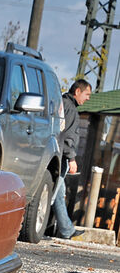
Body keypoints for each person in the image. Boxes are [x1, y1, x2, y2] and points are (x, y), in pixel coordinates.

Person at [53, 79, 92, 239]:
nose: (88, 98)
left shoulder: (64, 104)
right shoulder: (69, 108)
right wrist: (71, 158)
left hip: (58, 155)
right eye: (87, 94)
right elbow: (67, 136)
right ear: (77, 92)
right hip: (61, 156)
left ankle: (66, 229)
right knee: (56, 192)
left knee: (57, 192)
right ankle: (66, 230)